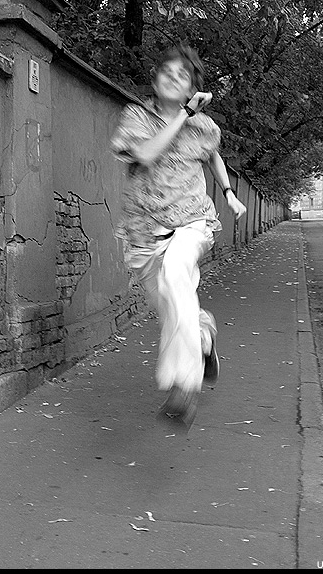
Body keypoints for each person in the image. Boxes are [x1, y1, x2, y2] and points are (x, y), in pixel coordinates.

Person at [110, 44, 246, 428]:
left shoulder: (204, 126)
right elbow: (146, 154)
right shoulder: (136, 117)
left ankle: (185, 384)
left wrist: (228, 192)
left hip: (192, 221)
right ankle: (202, 334)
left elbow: (212, 153)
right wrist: (184, 115)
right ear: (155, 81)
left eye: (182, 75)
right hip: (143, 231)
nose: (173, 78)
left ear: (191, 88)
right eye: (166, 72)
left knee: (175, 271)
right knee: (172, 307)